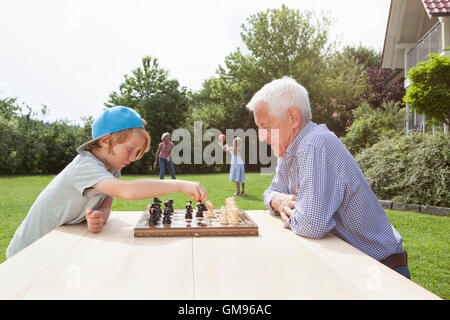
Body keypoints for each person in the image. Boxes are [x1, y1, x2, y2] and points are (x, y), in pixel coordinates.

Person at [245, 77, 411, 279]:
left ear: (293, 118)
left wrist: (287, 209)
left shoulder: (314, 144)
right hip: (355, 268)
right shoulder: (288, 150)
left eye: (265, 126)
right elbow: (273, 192)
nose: (262, 136)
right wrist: (276, 200)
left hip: (383, 274)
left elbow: (310, 224)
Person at [6, 106, 207, 259]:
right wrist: (180, 185)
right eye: (130, 149)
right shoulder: (85, 165)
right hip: (28, 251)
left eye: (138, 153)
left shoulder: (113, 169)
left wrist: (100, 216)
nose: (133, 157)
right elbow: (126, 191)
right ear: (105, 141)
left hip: (55, 246)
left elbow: (106, 205)